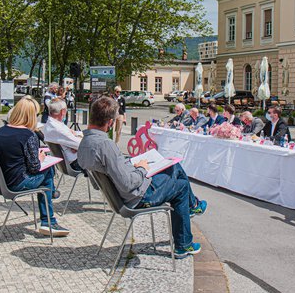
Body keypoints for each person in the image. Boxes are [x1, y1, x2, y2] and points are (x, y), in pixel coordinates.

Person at [78, 96, 206, 258]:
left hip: (121, 195)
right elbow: (128, 183)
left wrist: (131, 165)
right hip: (137, 197)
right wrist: (142, 169)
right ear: (110, 122)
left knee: (174, 166)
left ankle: (192, 206)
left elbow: (101, 181)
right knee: (180, 184)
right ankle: (184, 242)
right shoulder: (105, 145)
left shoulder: (85, 143)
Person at [0, 97, 69, 237]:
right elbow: (34, 167)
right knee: (48, 172)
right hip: (17, 183)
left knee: (47, 174)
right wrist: (40, 158)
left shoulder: (0, 132)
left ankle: (51, 197)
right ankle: (48, 220)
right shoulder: (28, 135)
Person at [42, 99, 85, 171]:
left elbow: (74, 138)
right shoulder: (58, 128)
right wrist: (76, 144)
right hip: (75, 163)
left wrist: (74, 142)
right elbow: (81, 144)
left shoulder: (50, 124)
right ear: (63, 111)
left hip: (64, 163)